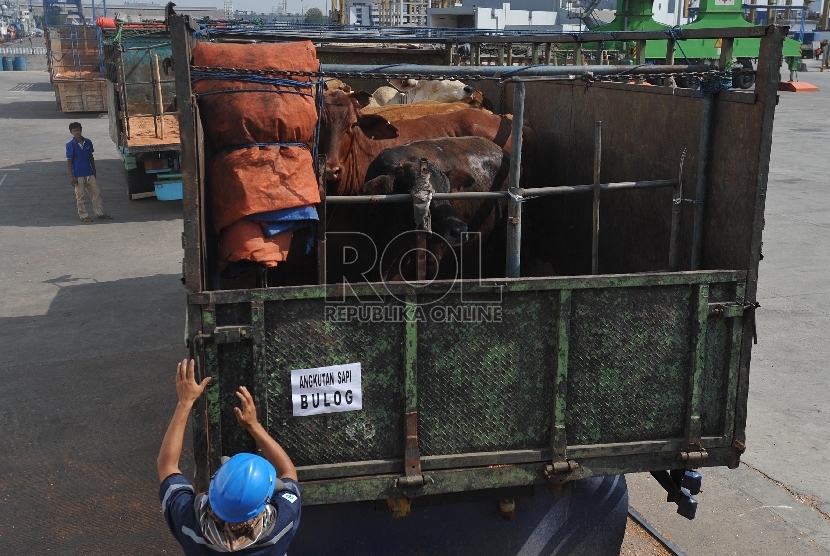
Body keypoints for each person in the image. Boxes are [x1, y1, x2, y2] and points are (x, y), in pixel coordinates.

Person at [158, 359, 301, 554]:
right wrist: (254, 425)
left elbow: (167, 465)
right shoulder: (282, 521)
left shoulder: (189, 522)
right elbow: (288, 472)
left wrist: (185, 402)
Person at [65, 122, 111, 222]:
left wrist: (94, 169)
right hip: (78, 174)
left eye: (78, 130)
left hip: (89, 172)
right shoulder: (70, 145)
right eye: (74, 131)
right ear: (71, 132)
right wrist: (71, 176)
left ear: (81, 130)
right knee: (80, 196)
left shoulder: (88, 142)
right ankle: (83, 215)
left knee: (96, 193)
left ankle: (99, 213)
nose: (77, 132)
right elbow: (69, 161)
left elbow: (91, 156)